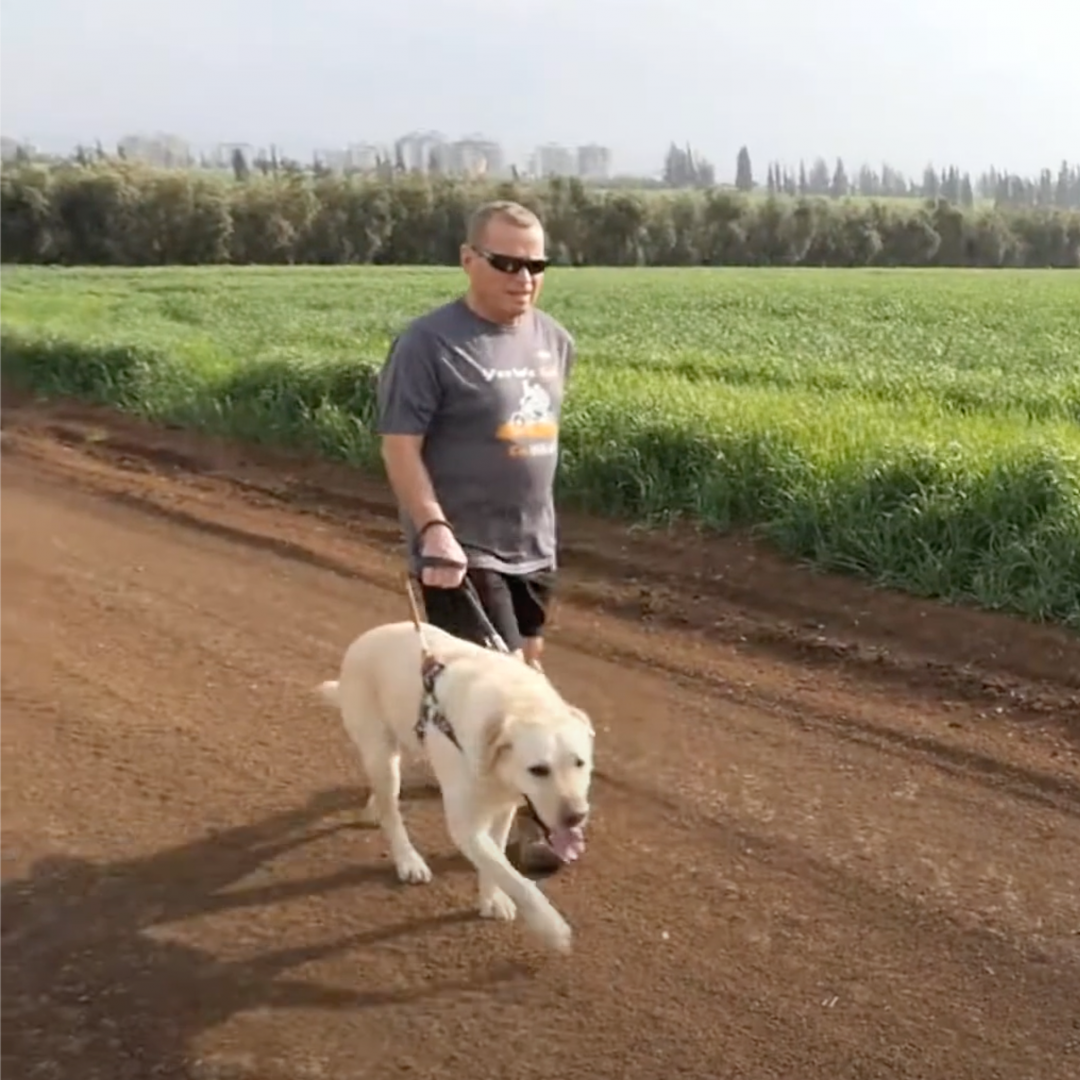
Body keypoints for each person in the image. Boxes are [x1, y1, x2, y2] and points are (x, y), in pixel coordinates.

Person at [375, 199, 576, 877]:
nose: (524, 277)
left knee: (526, 669)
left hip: (534, 547)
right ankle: (532, 832)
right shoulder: (428, 344)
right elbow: (401, 447)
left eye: (536, 264)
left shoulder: (553, 339)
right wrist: (432, 527)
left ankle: (463, 760)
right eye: (507, 262)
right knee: (514, 686)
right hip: (462, 552)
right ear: (469, 259)